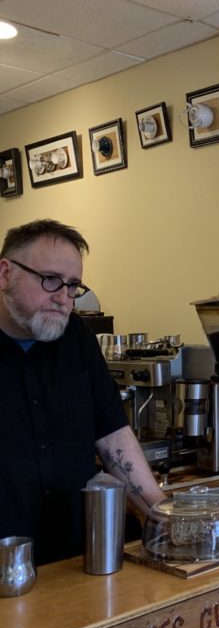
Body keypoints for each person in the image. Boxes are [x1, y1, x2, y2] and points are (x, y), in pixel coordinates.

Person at [0, 219, 165, 565]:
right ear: (5, 274)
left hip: (78, 555)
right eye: (50, 280)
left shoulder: (77, 337)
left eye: (73, 286)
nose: (63, 299)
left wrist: (162, 510)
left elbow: (112, 435)